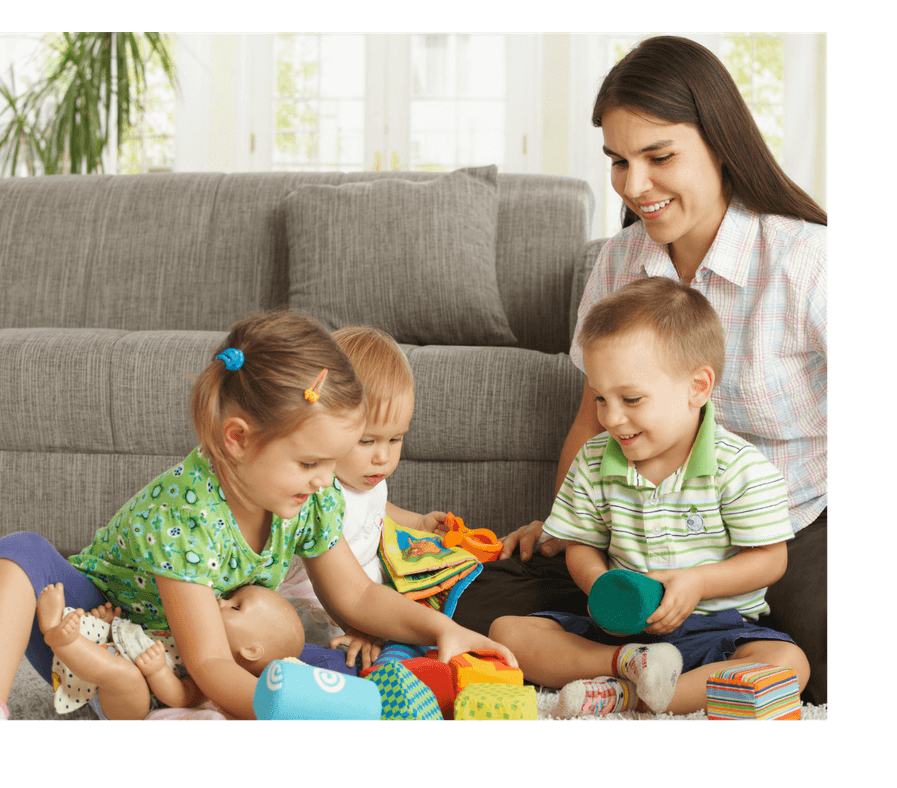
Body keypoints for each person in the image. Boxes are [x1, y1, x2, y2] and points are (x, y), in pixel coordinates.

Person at [454, 35, 827, 704]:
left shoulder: (806, 260)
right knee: (473, 606)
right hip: (634, 534)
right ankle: (631, 668)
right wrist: (568, 524)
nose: (634, 185)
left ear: (719, 141)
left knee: (806, 653)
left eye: (658, 157)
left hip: (780, 535)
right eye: (619, 161)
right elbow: (588, 420)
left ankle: (636, 676)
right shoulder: (619, 263)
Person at [0, 310, 515, 721]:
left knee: (344, 667)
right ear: (237, 439)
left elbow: (356, 596)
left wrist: (444, 628)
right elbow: (211, 662)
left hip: (174, 664)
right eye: (310, 462)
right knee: (20, 551)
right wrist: (278, 710)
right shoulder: (186, 514)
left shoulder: (310, 495)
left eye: (332, 462)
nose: (327, 480)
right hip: (92, 629)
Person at [490, 277, 810, 716]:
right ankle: (626, 669)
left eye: (632, 398)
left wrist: (698, 582)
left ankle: (628, 697)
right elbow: (582, 544)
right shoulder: (595, 459)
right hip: (621, 635)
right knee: (507, 633)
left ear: (697, 387)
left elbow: (771, 559)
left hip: (715, 631)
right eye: (601, 398)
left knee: (788, 665)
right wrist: (598, 583)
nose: (612, 418)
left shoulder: (739, 467)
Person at [279, 325, 448, 668]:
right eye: (367, 441)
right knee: (343, 656)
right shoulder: (319, 492)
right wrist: (357, 626)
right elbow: (340, 590)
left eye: (395, 439)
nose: (382, 457)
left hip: (368, 593)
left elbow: (376, 508)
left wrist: (417, 522)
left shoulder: (366, 476)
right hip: (316, 603)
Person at [35, 581, 298, 720]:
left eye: (235, 607)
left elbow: (180, 698)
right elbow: (144, 637)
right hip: (116, 655)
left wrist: (159, 671)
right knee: (114, 657)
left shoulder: (220, 678)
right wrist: (111, 626)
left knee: (125, 676)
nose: (220, 601)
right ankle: (73, 632)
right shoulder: (194, 635)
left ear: (250, 650)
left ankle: (63, 640)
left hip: (134, 708)